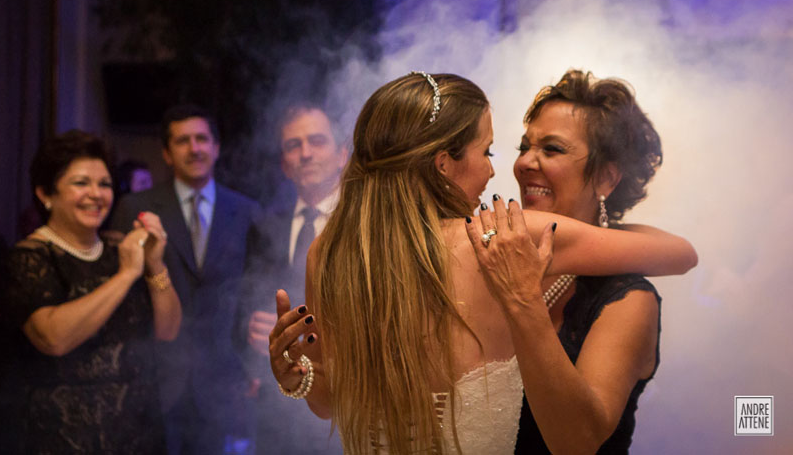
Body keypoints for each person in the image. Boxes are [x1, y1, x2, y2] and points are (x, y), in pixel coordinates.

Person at [267, 72, 697, 454]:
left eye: (551, 149)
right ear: (441, 165)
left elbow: (325, 404)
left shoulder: (329, 253)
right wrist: (301, 375)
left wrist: (298, 379)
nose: (507, 168)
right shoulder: (500, 237)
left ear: (607, 176)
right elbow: (680, 254)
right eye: (496, 150)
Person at [483, 69, 668, 453]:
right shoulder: (499, 258)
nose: (525, 163)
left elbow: (577, 442)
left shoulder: (629, 300)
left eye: (551, 150)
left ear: (605, 179)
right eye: (524, 147)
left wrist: (522, 302)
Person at [0, 129, 181, 454]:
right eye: (81, 183)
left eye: (104, 184)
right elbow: (53, 338)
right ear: (45, 193)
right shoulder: (28, 257)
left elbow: (168, 331)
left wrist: (155, 265)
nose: (96, 194)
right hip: (65, 437)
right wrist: (126, 275)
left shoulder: (120, 247)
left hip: (139, 431)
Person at [110, 105, 262, 455]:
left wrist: (254, 365)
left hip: (224, 380)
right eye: (182, 141)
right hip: (155, 375)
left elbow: (254, 292)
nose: (194, 148)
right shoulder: (134, 208)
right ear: (166, 152)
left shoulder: (247, 211)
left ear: (216, 147)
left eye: (201, 139)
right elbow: (123, 295)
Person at [240, 102, 347, 455]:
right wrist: (254, 334)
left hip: (344, 402)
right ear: (285, 164)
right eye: (293, 145)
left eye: (316, 141)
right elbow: (244, 304)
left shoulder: (362, 223)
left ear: (342, 153)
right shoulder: (265, 224)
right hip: (276, 410)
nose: (305, 153)